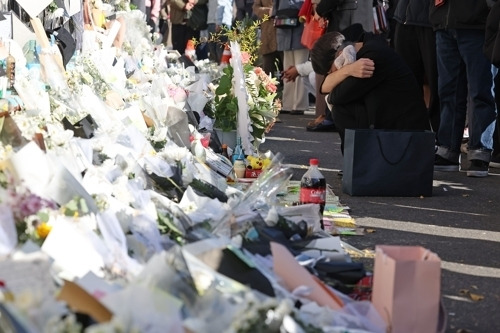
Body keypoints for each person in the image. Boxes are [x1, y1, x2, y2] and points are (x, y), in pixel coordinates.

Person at [310, 29, 430, 153]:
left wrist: (345, 71)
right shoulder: (367, 46)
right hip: (399, 130)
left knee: (342, 108)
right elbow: (324, 88)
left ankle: (359, 163)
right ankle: (356, 163)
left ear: (341, 56)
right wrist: (347, 70)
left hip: (406, 137)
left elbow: (335, 97)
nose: (335, 75)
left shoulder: (372, 58)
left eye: (331, 72)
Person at [430, 1, 497, 177]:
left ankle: (480, 150)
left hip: (478, 23)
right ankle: (447, 149)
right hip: (444, 21)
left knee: (481, 90)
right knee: (448, 91)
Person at [392, 0, 440, 133]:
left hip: (432, 20)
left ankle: (443, 141)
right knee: (406, 86)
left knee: (439, 86)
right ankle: (410, 137)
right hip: (404, 18)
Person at [273, 0, 309, 115]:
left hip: (300, 31)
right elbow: (275, 9)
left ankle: (299, 105)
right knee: (287, 69)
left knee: (300, 69)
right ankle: (288, 104)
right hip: (284, 30)